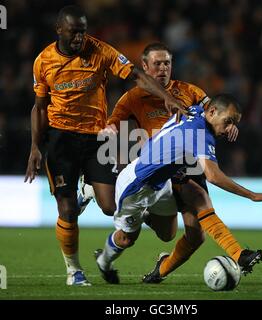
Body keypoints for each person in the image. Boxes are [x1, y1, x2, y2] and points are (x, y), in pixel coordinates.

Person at [24, 6, 184, 286]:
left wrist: (165, 96)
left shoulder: (99, 51)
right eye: (74, 32)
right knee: (67, 210)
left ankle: (88, 188)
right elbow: (38, 107)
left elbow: (136, 74)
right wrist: (35, 148)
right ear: (59, 30)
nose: (79, 38)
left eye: (83, 32)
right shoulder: (43, 62)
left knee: (111, 207)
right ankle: (74, 270)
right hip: (61, 140)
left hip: (96, 138)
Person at [79, 43, 262, 284]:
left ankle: (161, 269)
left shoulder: (189, 91)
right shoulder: (132, 97)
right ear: (144, 66)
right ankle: (97, 201)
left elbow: (214, 109)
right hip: (152, 169)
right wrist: (110, 131)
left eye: (167, 63)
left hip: (183, 165)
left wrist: (229, 122)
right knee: (126, 223)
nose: (163, 68)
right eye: (157, 63)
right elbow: (114, 122)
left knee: (185, 234)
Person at [95, 94, 262, 283]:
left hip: (161, 182)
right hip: (135, 188)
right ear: (213, 112)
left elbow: (200, 110)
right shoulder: (199, 133)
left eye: (233, 123)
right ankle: (104, 261)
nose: (229, 128)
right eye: (228, 122)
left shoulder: (196, 111)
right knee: (126, 239)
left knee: (169, 234)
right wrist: (251, 195)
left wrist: (227, 121)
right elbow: (214, 176)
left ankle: (232, 253)